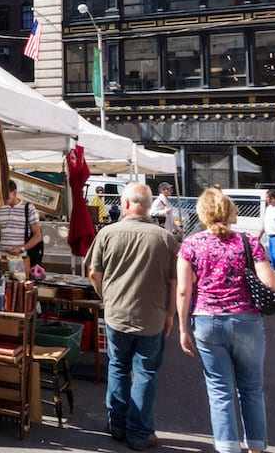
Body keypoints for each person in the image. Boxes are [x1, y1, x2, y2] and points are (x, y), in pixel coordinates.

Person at [177, 187, 275, 453]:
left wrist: (183, 328)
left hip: (207, 320)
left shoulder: (191, 244)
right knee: (251, 388)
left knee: (220, 390)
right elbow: (272, 285)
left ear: (202, 213)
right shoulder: (248, 242)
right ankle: (256, 446)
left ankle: (227, 448)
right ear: (230, 211)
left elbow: (184, 290)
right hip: (246, 320)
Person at [87, 182, 180, 451]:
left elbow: (94, 273)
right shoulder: (165, 238)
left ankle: (117, 424)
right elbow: (176, 282)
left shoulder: (108, 233)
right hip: (152, 316)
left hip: (117, 313)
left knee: (118, 366)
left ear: (126, 204)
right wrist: (171, 314)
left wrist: (107, 296)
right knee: (145, 373)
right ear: (148, 206)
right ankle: (139, 432)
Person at [0, 180, 43, 260]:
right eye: (2, 196)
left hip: (21, 257)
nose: (4, 199)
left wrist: (22, 249)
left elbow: (38, 236)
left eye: (6, 196)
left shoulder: (28, 208)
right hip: (2, 256)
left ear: (14, 193)